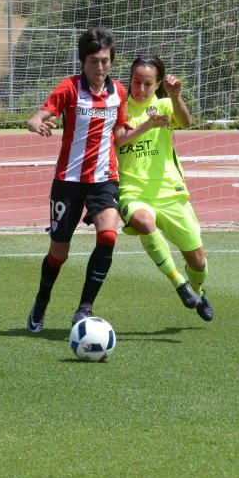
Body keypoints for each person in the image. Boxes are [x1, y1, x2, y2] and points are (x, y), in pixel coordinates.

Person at [26, 26, 163, 332]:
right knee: (59, 253)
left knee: (108, 236)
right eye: (92, 61)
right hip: (69, 181)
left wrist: (149, 126)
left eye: (104, 60)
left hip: (104, 178)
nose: (99, 67)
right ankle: (42, 301)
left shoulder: (118, 92)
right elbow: (40, 114)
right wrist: (35, 123)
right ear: (83, 62)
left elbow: (121, 135)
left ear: (111, 61)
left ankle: (84, 307)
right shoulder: (69, 88)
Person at [116, 55, 213, 322]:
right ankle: (180, 284)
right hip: (132, 190)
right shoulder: (120, 107)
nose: (141, 88)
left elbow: (185, 122)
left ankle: (197, 290)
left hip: (170, 191)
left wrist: (176, 96)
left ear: (158, 84)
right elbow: (119, 141)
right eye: (137, 82)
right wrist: (147, 125)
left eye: (148, 83)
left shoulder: (164, 104)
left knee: (199, 262)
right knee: (145, 223)